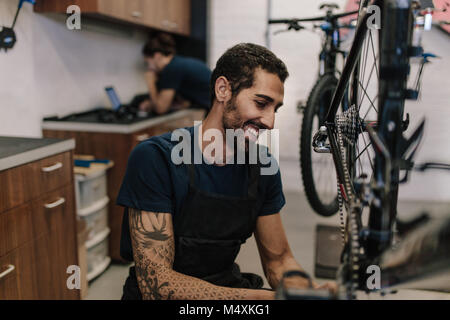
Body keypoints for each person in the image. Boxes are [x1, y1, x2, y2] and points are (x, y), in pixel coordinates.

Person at [117, 43, 336, 300]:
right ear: (223, 90)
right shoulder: (156, 158)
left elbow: (279, 261)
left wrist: (309, 294)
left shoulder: (262, 167)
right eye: (261, 103)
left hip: (226, 290)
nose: (269, 121)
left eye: (275, 109)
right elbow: (157, 286)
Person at [139, 32, 211, 115]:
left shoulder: (172, 69)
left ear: (157, 56)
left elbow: (161, 109)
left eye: (148, 63)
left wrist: (150, 82)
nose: (149, 68)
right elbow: (184, 103)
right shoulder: (177, 63)